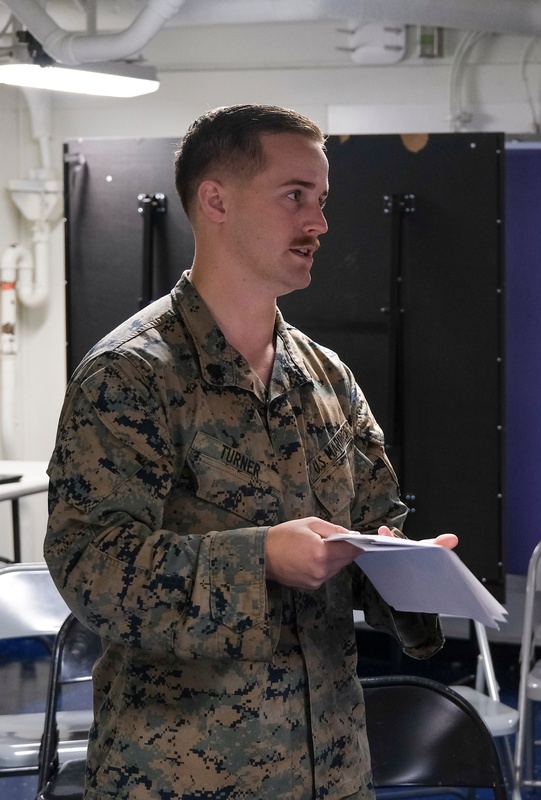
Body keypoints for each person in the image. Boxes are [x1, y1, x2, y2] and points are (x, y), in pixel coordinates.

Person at [44, 104, 457, 800]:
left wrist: (414, 570)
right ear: (216, 201)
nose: (318, 224)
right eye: (295, 196)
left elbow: (372, 527)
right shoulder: (132, 374)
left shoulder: (325, 378)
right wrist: (260, 557)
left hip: (329, 769)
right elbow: (91, 567)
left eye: (321, 201)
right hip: (182, 773)